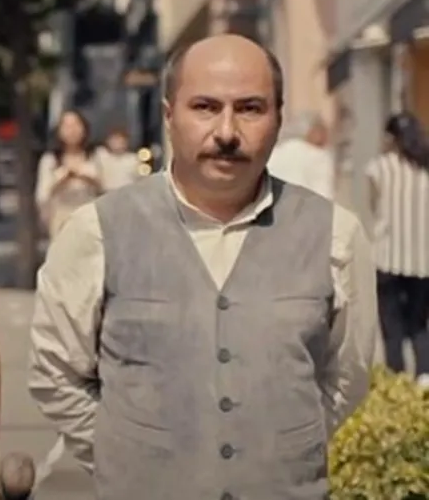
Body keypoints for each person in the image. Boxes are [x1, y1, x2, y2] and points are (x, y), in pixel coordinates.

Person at [27, 33, 377, 499]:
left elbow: (348, 376)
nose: (227, 132)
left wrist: (284, 449)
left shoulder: (336, 235)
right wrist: (126, 455)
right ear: (169, 116)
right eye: (206, 107)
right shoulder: (97, 232)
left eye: (250, 108)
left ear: (278, 118)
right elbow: (55, 371)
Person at [366, 112, 429, 384]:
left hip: (387, 257)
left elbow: (374, 207)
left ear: (390, 138)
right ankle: (425, 378)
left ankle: (396, 381)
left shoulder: (378, 168)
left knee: (391, 327)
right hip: (423, 260)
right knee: (419, 324)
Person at [35, 110, 102, 239]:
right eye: (67, 126)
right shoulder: (50, 159)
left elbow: (105, 187)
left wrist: (87, 178)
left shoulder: (96, 156)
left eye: (76, 125)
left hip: (90, 216)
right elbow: (43, 194)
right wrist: (63, 178)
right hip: (61, 217)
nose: (72, 131)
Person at [267, 110, 335, 200]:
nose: (326, 137)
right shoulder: (319, 156)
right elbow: (324, 190)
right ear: (313, 132)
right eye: (323, 132)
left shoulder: (281, 151)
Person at [96, 126, 142, 192]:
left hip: (126, 192)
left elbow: (139, 178)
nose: (118, 144)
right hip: (105, 192)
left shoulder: (133, 159)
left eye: (121, 141)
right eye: (114, 140)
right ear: (107, 141)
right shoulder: (101, 154)